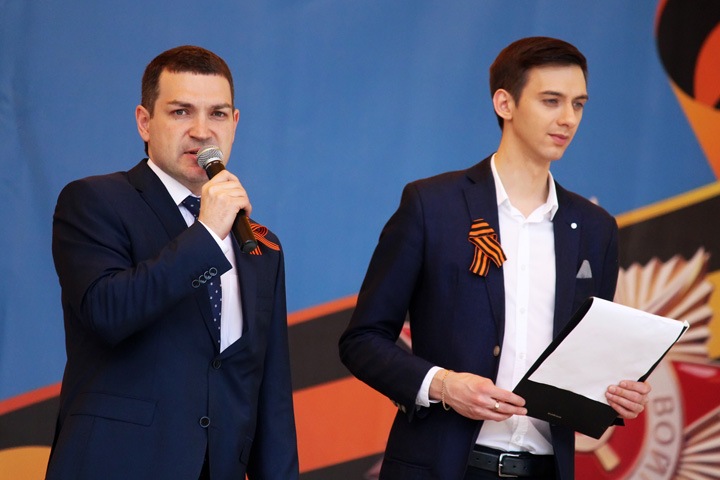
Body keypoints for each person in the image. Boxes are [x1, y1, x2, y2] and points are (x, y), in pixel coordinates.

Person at [338, 36, 650, 480]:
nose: (568, 118)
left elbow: (588, 363)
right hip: (442, 467)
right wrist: (444, 385)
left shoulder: (595, 228)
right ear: (504, 103)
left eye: (578, 104)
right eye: (551, 101)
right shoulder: (432, 206)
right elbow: (362, 340)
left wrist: (617, 396)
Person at [47, 45, 299, 480]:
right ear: (145, 122)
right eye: (181, 112)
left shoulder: (259, 243)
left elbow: (270, 393)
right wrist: (207, 233)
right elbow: (108, 312)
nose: (202, 131)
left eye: (217, 114)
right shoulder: (95, 201)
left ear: (235, 123)